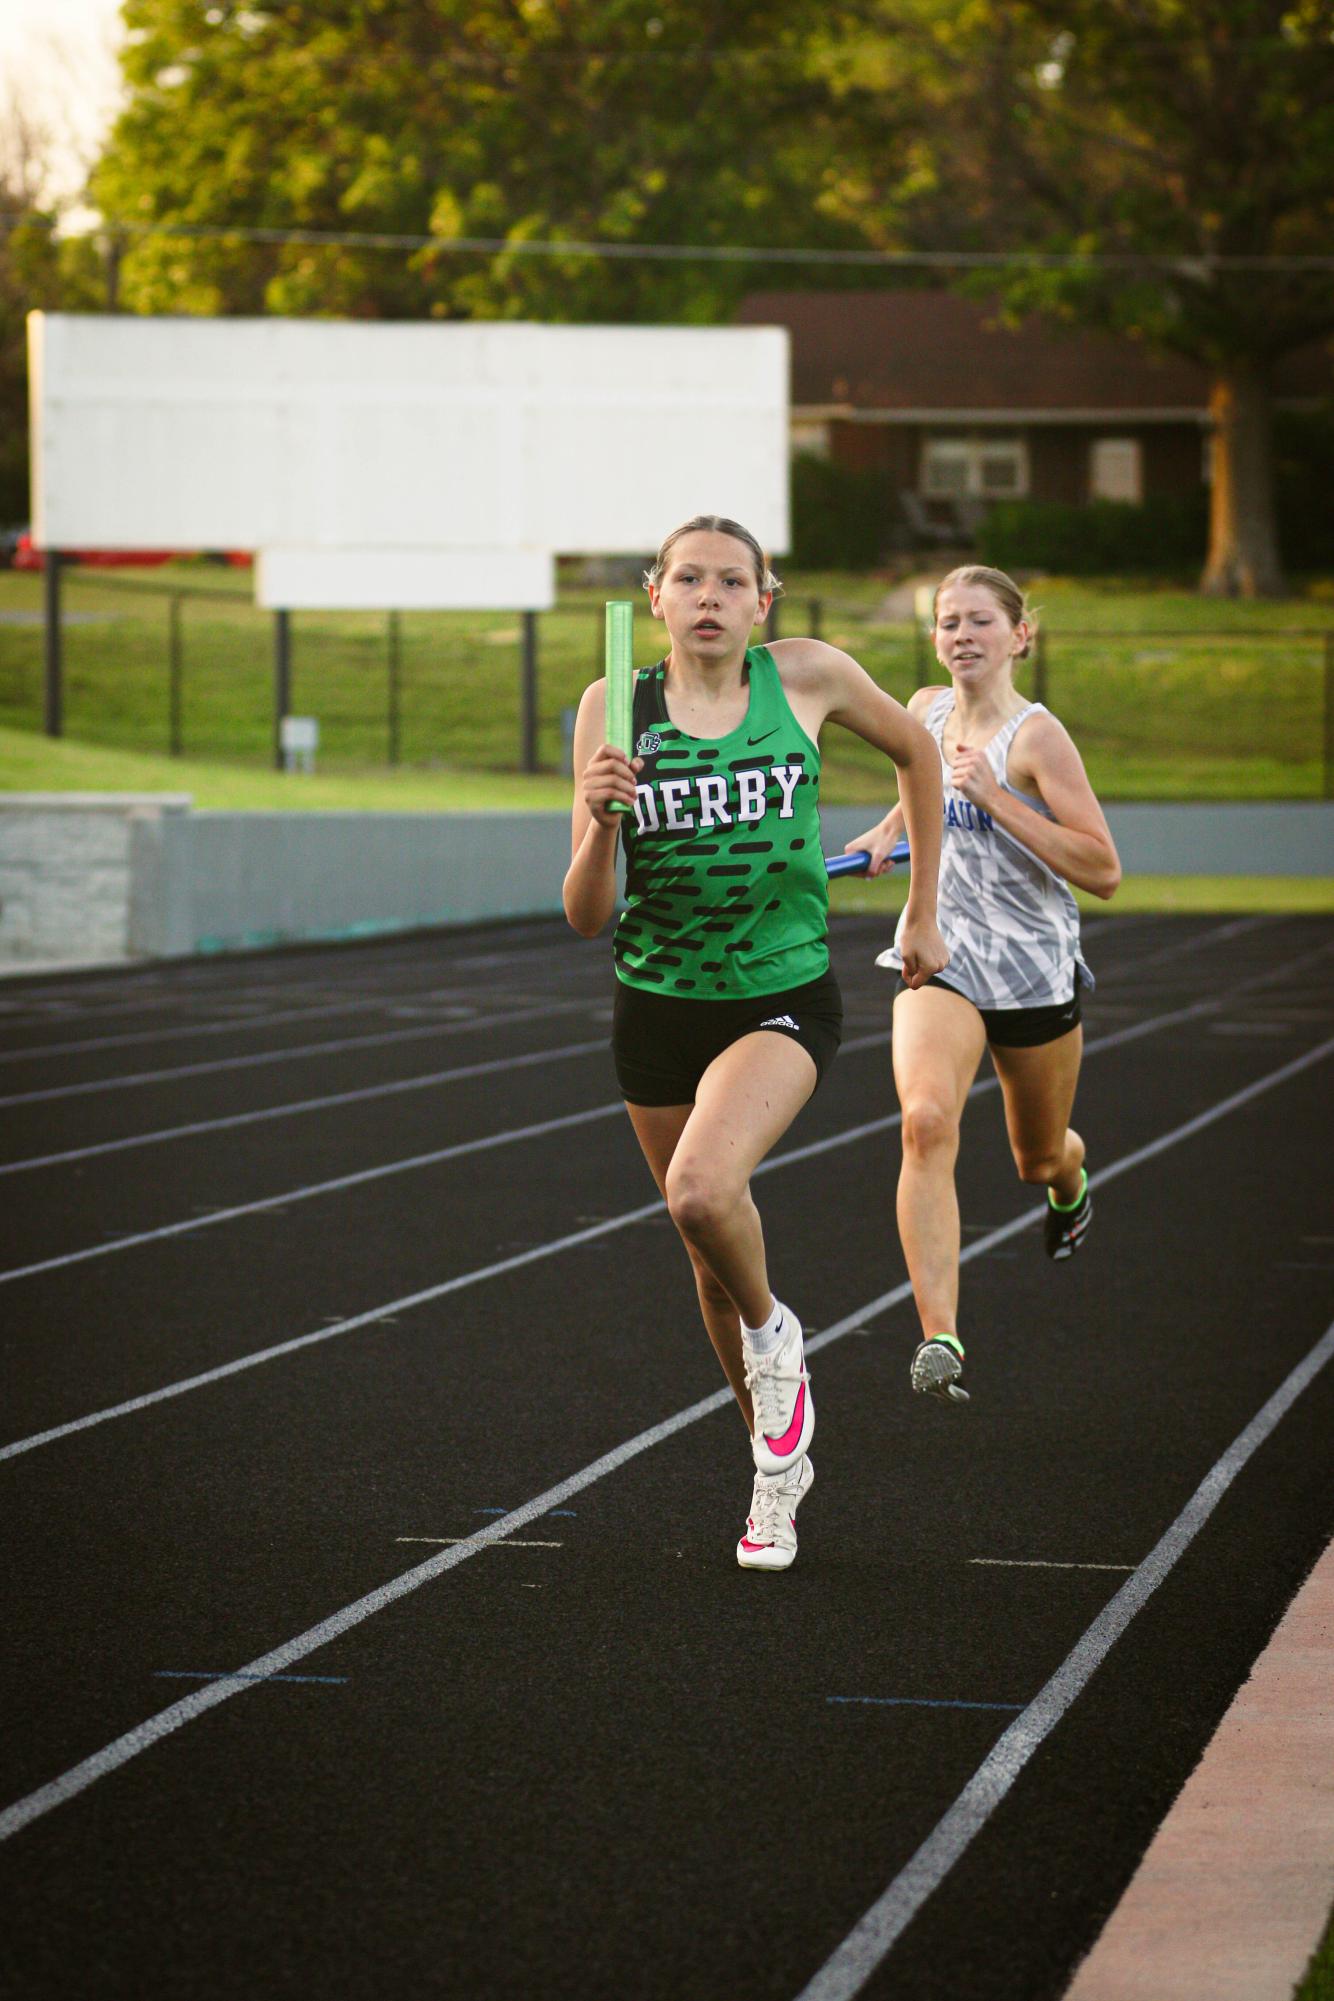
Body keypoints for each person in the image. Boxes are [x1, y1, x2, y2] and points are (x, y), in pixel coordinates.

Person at [564, 515, 947, 1571]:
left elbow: (919, 752)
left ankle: (778, 1338)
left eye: (731, 581)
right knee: (705, 1249)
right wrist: (599, 822)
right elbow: (586, 915)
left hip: (777, 994)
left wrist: (921, 906)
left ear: (761, 601)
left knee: (699, 1191)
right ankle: (772, 1475)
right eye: (687, 578)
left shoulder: (809, 678)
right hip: (654, 1001)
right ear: (655, 596)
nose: (708, 597)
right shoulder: (616, 705)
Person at [848, 564, 1121, 1408]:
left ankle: (1070, 1180)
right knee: (926, 1121)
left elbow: (1103, 869)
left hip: (1033, 968)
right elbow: (917, 779)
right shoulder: (925, 708)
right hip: (941, 952)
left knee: (1034, 1154)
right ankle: (941, 1335)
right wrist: (891, 830)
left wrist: (998, 797)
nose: (961, 635)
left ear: (1018, 636)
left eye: (979, 621)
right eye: (947, 621)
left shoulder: (1039, 739)